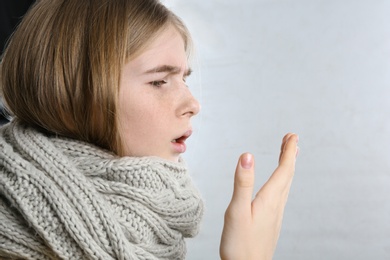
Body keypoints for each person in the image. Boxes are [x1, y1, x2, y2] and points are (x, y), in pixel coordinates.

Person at [0, 0, 299, 259]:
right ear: (75, 90)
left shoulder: (155, 226)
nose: (193, 104)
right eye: (159, 81)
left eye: (185, 79)